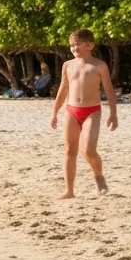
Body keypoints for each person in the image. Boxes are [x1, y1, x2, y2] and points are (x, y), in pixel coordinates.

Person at [50, 28, 117, 198]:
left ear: (90, 45)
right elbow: (63, 88)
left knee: (88, 150)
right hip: (71, 110)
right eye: (72, 45)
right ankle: (69, 190)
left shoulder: (99, 66)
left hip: (92, 112)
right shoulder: (68, 65)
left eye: (78, 44)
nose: (74, 48)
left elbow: (109, 90)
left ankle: (98, 176)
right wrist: (55, 111)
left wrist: (113, 114)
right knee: (69, 151)